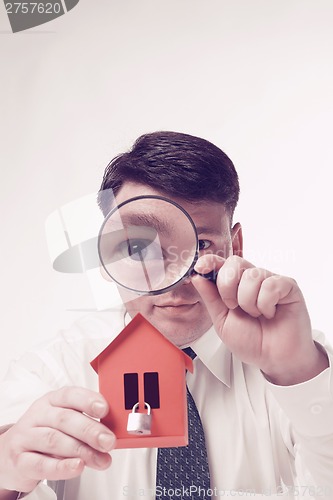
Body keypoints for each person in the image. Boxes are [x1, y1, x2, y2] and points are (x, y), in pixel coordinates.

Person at [0, 131, 332, 500]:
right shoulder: (52, 371)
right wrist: (7, 474)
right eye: (138, 248)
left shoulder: (303, 364)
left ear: (235, 246)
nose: (172, 283)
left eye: (201, 245)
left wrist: (298, 373)